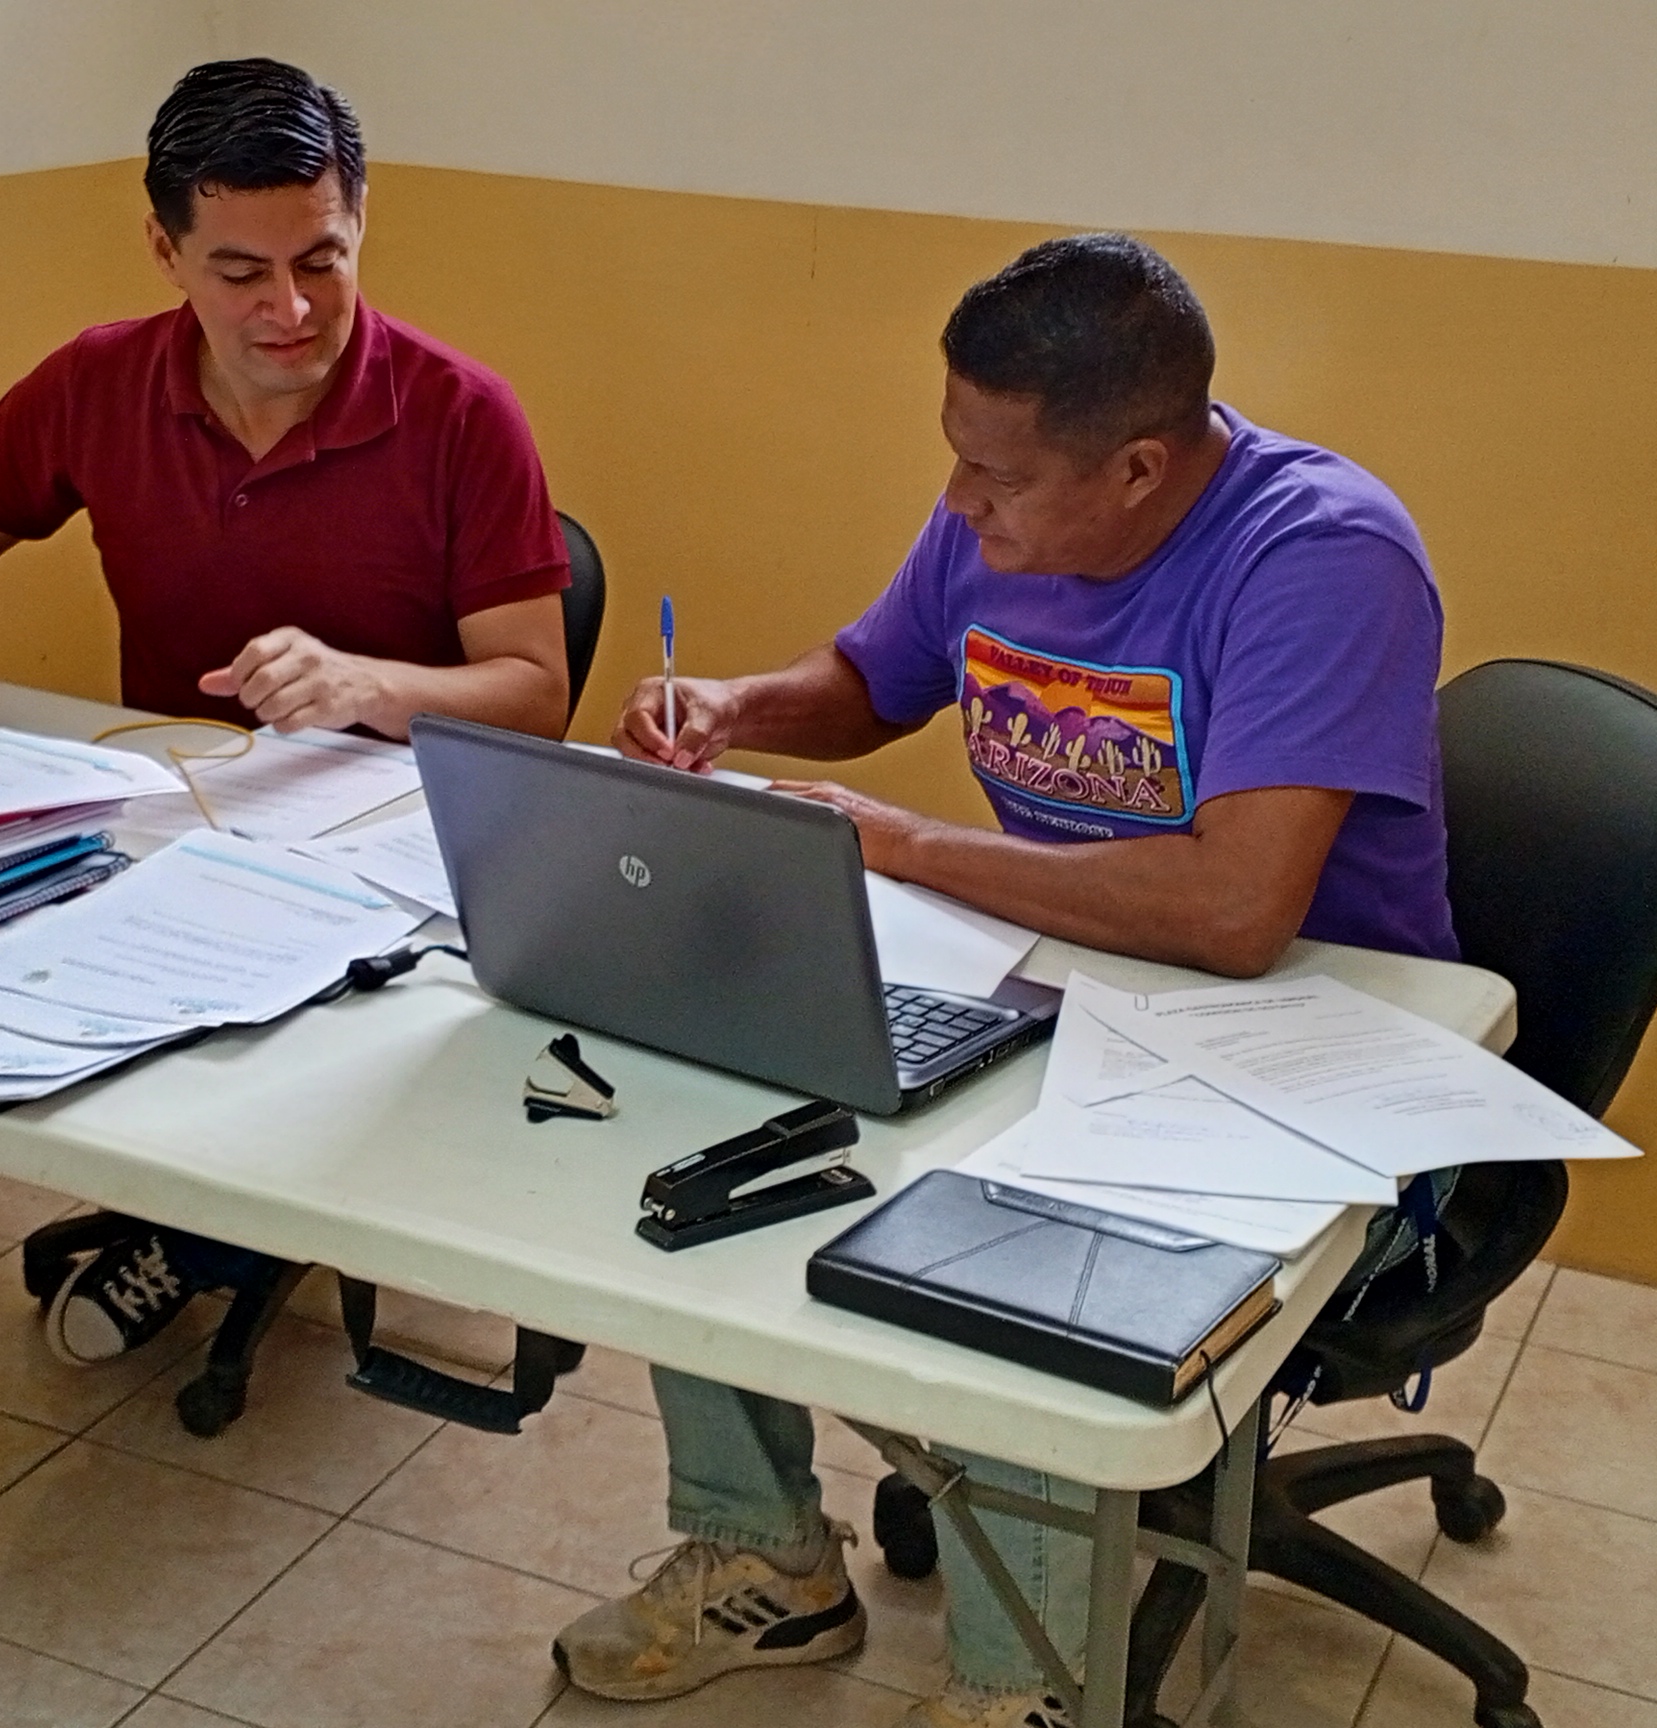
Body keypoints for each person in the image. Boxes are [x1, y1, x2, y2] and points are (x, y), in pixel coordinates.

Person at [553, 235, 1455, 1728]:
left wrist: (907, 845)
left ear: (1141, 469)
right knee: (701, 1128)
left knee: (1009, 1263)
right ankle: (765, 1556)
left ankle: (1019, 1687)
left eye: (998, 477)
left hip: (1303, 1058)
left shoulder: (1321, 558)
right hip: (1066, 999)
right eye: (957, 458)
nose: (962, 502)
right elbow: (873, 682)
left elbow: (1237, 912)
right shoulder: (1005, 510)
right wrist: (735, 705)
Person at [0, 58, 576, 1364]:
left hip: (403, 858)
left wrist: (371, 685)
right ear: (166, 251)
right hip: (179, 825)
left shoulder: (461, 414)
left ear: (361, 223)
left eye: (322, 261)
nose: (290, 310)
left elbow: (535, 696)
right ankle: (209, 1210)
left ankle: (211, 1235)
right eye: (241, 273)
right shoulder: (101, 382)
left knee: (285, 1051)